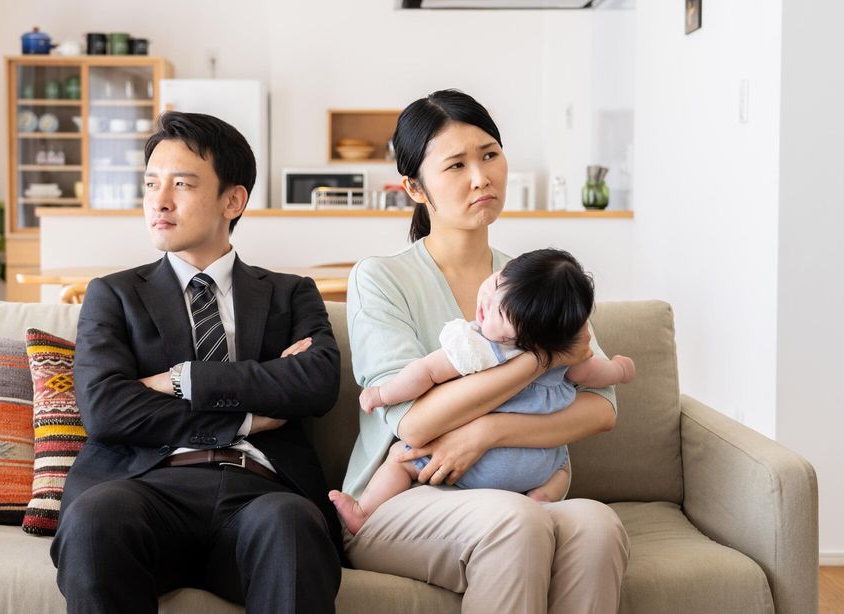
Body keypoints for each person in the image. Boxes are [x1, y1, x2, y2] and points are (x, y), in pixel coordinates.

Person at [340, 89, 631, 613]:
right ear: (414, 187)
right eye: (455, 165)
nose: (481, 177)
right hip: (405, 498)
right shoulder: (380, 278)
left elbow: (601, 407)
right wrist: (540, 359)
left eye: (490, 154)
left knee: (597, 524)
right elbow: (413, 424)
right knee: (513, 522)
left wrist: (487, 431)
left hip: (514, 491)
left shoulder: (535, 279)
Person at [50, 111, 343, 614]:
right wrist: (248, 414)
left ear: (233, 199)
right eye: (151, 185)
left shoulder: (290, 294)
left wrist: (181, 379)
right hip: (143, 487)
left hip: (262, 492)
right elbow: (106, 408)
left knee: (291, 524)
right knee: (96, 518)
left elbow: (315, 384)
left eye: (181, 184)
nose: (159, 202)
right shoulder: (113, 294)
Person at [330, 249, 636, 534]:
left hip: (474, 468)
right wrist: (620, 370)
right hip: (537, 466)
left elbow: (424, 373)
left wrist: (382, 395)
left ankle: (366, 511)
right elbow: (595, 373)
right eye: (498, 282)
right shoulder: (561, 341)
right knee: (562, 466)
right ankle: (541, 499)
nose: (487, 302)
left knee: (400, 457)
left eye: (500, 314)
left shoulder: (475, 345)